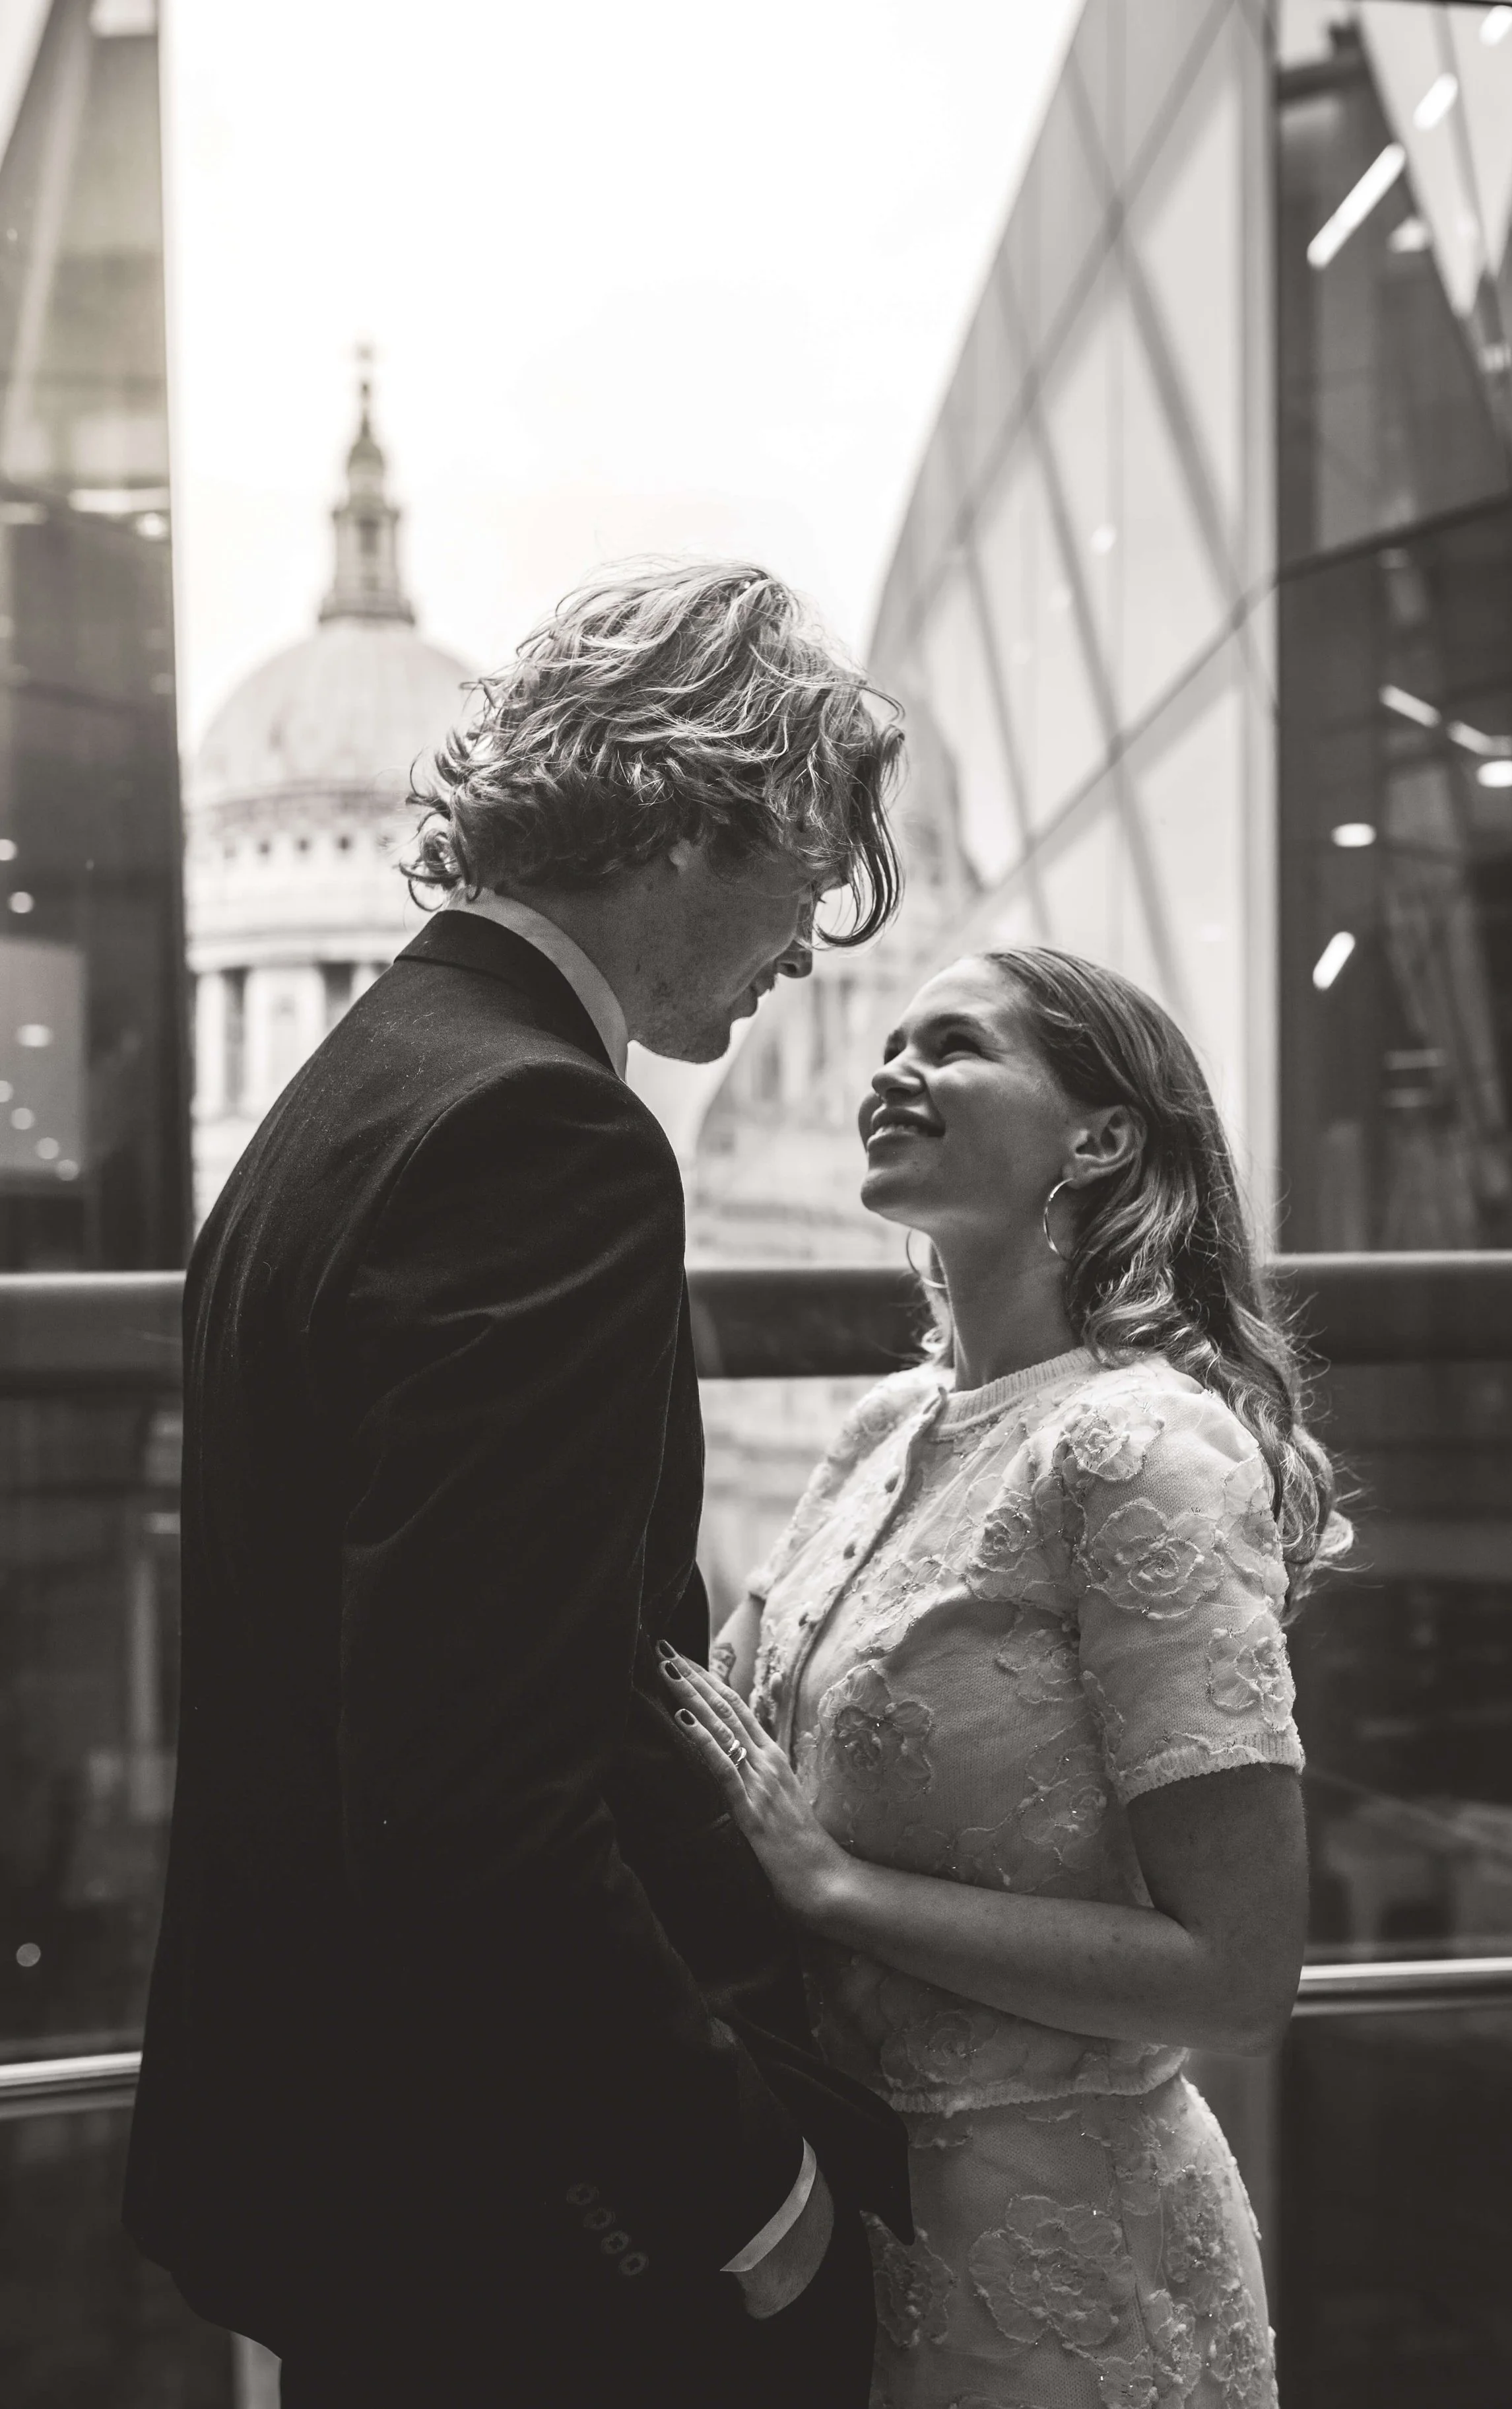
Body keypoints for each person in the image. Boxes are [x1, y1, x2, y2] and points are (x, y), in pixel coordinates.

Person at [123, 562, 915, 2408]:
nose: (809, 944)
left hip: (345, 2163)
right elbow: (477, 1799)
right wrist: (753, 2193)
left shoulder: (347, 1098)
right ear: (690, 821)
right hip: (521, 2207)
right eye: (807, 872)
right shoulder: (543, 1138)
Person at [667, 945, 1346, 2409]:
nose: (890, 1070)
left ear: (1098, 1137)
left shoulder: (1136, 1446)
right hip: (848, 2227)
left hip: (1067, 2265)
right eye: (890, 1041)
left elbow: (1237, 1976)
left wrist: (837, 1893)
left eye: (953, 1045)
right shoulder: (880, 1428)